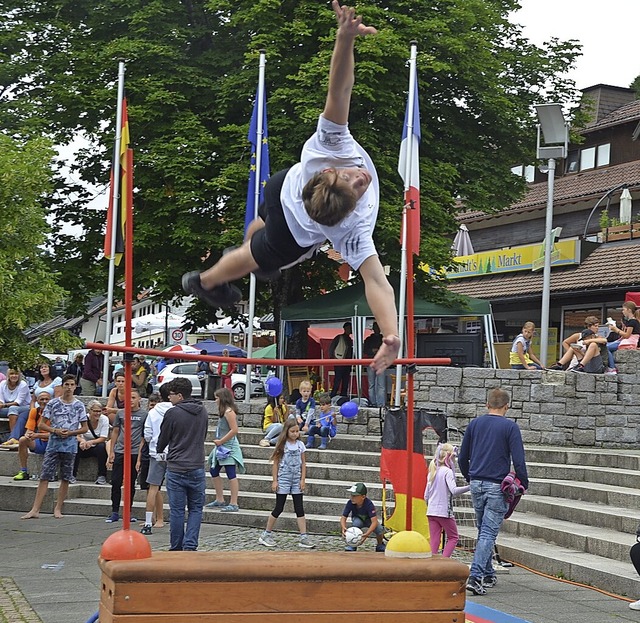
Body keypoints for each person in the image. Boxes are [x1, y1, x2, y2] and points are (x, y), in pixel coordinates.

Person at [181, 1, 400, 376]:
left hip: (280, 187)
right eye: (355, 182)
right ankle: (203, 282)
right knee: (258, 255)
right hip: (290, 230)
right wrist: (391, 334)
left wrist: (344, 38)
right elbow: (377, 282)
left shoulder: (333, 170)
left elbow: (340, 88)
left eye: (356, 185)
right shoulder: (339, 194)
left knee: (260, 237)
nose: (362, 178)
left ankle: (255, 237)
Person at [458, 388, 528, 596]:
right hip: (497, 485)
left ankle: (488, 572)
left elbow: (463, 457)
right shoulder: (510, 427)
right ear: (507, 406)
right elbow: (519, 460)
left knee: (483, 529)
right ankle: (476, 575)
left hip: (477, 482)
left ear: (487, 404)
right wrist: (523, 482)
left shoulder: (475, 424)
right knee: (488, 532)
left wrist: (470, 477)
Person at [21, 375, 88, 519]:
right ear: (62, 386)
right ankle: (35, 509)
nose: (69, 387)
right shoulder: (53, 404)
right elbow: (41, 424)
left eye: (72, 385)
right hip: (53, 444)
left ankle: (58, 508)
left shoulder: (79, 405)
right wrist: (55, 431)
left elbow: (84, 428)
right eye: (67, 384)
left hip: (70, 446)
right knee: (44, 475)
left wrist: (71, 432)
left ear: (75, 387)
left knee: (65, 477)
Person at [156, 378, 209, 551]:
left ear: (180, 395)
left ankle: (176, 546)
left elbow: (163, 437)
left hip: (177, 466)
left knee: (177, 510)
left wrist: (159, 449)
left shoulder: (173, 413)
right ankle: (190, 545)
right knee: (195, 509)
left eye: (171, 395)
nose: (169, 398)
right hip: (196, 464)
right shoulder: (202, 411)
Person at [258, 418, 315, 549]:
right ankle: (266, 534)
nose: (295, 434)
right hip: (284, 478)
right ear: (287, 432)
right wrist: (275, 480)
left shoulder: (300, 445)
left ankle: (303, 536)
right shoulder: (282, 445)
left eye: (297, 431)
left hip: (296, 479)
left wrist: (302, 479)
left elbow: (303, 463)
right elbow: (276, 463)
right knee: (279, 507)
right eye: (292, 431)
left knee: (299, 508)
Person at [105, 388, 148, 523]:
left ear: (139, 399)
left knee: (130, 483)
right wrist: (111, 451)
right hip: (120, 450)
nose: (131, 400)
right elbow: (115, 432)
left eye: (134, 398)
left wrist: (140, 457)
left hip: (135, 451)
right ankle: (115, 511)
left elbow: (143, 437)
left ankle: (128, 511)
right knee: (116, 481)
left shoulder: (144, 415)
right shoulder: (121, 413)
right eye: (129, 398)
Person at [425, 443, 470, 557]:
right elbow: (453, 490)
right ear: (449, 457)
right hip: (444, 512)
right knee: (453, 537)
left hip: (431, 511)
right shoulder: (447, 472)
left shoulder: (432, 472)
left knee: (434, 539)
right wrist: (470, 487)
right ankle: (444, 561)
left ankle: (431, 563)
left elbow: (426, 495)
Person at [206, 387, 245, 512]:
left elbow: (234, 430)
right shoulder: (223, 412)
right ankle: (220, 498)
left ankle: (234, 502)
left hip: (228, 447)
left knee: (231, 473)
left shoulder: (229, 412)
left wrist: (221, 441)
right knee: (214, 470)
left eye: (217, 398)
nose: (215, 400)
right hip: (221, 447)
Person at [139, 389, 172, 535]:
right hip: (174, 452)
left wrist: (153, 443)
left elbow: (147, 434)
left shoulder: (152, 413)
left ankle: (148, 522)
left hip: (155, 452)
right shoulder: (176, 411)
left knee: (153, 488)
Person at [12, 392, 52, 480]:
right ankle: (23, 471)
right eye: (42, 399)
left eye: (47, 399)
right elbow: (29, 429)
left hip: (53, 442)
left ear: (50, 401)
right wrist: (28, 435)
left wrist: (37, 435)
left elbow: (57, 434)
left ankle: (52, 473)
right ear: (37, 401)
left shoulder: (56, 413)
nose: (44, 401)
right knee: (22, 440)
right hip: (40, 442)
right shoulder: (35, 411)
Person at [339, 482, 386, 552]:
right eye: (351, 495)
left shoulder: (369, 504)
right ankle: (352, 544)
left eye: (355, 496)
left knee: (379, 529)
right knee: (356, 525)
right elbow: (343, 517)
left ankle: (380, 544)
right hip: (358, 519)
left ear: (363, 497)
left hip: (369, 520)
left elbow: (374, 521)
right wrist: (343, 527)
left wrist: (367, 534)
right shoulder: (350, 503)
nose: (352, 498)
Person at [73, 400, 109, 484]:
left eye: (99, 411)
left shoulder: (104, 419)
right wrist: (82, 441)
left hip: (96, 446)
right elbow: (77, 435)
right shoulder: (83, 419)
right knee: (75, 445)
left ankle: (102, 475)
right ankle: (72, 474)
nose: (98, 413)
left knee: (101, 446)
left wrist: (91, 442)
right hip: (84, 446)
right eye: (95, 411)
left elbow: (103, 437)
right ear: (89, 411)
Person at [0, 368, 32, 449]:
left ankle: (12, 438)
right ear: (8, 375)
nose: (14, 376)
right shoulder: (2, 384)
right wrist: (1, 404)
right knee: (11, 409)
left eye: (16, 374)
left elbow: (18, 402)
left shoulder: (23, 384)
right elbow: (1, 399)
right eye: (11, 374)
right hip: (8, 408)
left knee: (13, 408)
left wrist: (3, 405)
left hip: (24, 407)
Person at [606, 301, 640, 373]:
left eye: (624, 309)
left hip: (629, 342)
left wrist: (616, 330)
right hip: (626, 340)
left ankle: (612, 368)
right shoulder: (632, 321)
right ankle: (611, 365)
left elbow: (627, 335)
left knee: (605, 348)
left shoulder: (632, 322)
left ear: (629, 310)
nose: (622, 311)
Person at [363, 322, 385, 406]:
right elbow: (365, 350)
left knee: (379, 384)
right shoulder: (369, 339)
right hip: (372, 361)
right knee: (374, 384)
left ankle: (379, 403)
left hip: (378, 362)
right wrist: (373, 351)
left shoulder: (383, 338)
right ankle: (374, 403)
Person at [329, 322, 353, 398]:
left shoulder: (349, 339)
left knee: (345, 380)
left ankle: (343, 396)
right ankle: (333, 395)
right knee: (338, 379)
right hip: (339, 362)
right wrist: (334, 359)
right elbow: (331, 349)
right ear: (345, 329)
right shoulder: (339, 338)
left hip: (347, 363)